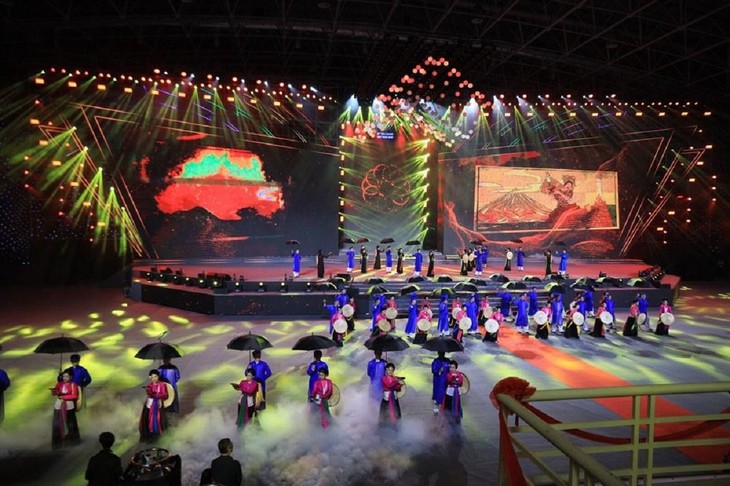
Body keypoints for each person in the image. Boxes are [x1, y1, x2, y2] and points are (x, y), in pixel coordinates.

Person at [52, 370, 81, 448]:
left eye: (66, 376)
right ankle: (58, 443)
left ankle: (72, 442)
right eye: (63, 376)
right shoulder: (59, 384)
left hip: (69, 406)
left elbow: (74, 396)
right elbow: (55, 393)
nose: (65, 378)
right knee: (57, 425)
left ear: (70, 377)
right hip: (59, 405)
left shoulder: (73, 385)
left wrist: (64, 397)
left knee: (70, 425)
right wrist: (54, 392)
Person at [139, 369, 167, 442]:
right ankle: (148, 435)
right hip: (149, 404)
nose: (154, 378)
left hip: (157, 405)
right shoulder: (150, 385)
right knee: (147, 419)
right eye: (152, 377)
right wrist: (148, 391)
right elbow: (149, 394)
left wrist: (156, 395)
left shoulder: (162, 385)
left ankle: (156, 435)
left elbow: (164, 394)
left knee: (157, 420)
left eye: (155, 376)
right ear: (150, 377)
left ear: (158, 376)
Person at [441, 360, 464, 425]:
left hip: (457, 393)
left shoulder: (459, 374)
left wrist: (456, 380)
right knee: (448, 407)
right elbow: (447, 381)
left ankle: (456, 418)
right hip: (449, 393)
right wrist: (454, 379)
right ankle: (448, 420)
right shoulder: (447, 375)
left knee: (457, 405)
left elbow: (461, 382)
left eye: (453, 367)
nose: (452, 369)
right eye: (450, 367)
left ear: (456, 368)